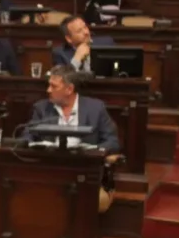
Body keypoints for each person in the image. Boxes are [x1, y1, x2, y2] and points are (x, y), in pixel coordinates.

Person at [22, 65, 120, 212]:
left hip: (84, 172)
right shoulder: (41, 109)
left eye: (54, 86)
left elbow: (112, 141)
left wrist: (94, 152)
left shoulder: (96, 108)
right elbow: (27, 136)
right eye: (48, 85)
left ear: (69, 89)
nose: (48, 90)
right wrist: (36, 148)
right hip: (49, 171)